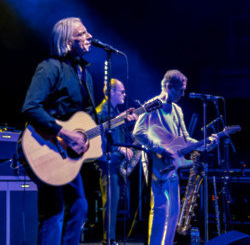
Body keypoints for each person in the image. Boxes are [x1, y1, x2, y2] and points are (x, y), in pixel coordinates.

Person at [21, 17, 96, 245]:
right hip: (43, 145)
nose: (89, 36)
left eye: (87, 32)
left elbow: (86, 117)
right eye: (81, 33)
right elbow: (31, 106)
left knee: (80, 206)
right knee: (54, 211)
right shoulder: (50, 67)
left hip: (65, 155)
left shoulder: (85, 74)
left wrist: (120, 119)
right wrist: (63, 133)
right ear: (66, 41)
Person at [133, 70, 217, 244]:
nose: (183, 94)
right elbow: (137, 132)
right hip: (156, 161)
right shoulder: (152, 105)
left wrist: (204, 143)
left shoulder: (177, 110)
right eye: (180, 90)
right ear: (169, 87)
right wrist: (162, 150)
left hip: (172, 164)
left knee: (174, 211)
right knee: (160, 208)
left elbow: (185, 139)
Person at [96, 79, 137, 245]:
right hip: (107, 162)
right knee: (111, 200)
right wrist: (120, 149)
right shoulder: (102, 111)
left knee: (115, 199)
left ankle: (111, 238)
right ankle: (109, 240)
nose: (124, 94)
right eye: (122, 91)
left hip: (114, 162)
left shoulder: (115, 113)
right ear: (111, 92)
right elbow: (98, 136)